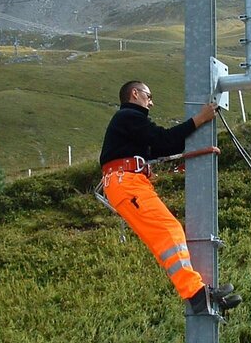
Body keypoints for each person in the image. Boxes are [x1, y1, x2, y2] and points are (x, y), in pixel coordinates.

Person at [99, 80, 241, 315]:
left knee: (166, 236)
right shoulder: (128, 116)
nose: (151, 102)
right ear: (135, 94)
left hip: (129, 184)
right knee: (169, 232)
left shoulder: (129, 124)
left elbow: (162, 146)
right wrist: (200, 119)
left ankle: (197, 292)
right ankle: (196, 293)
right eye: (149, 95)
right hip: (127, 183)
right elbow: (163, 140)